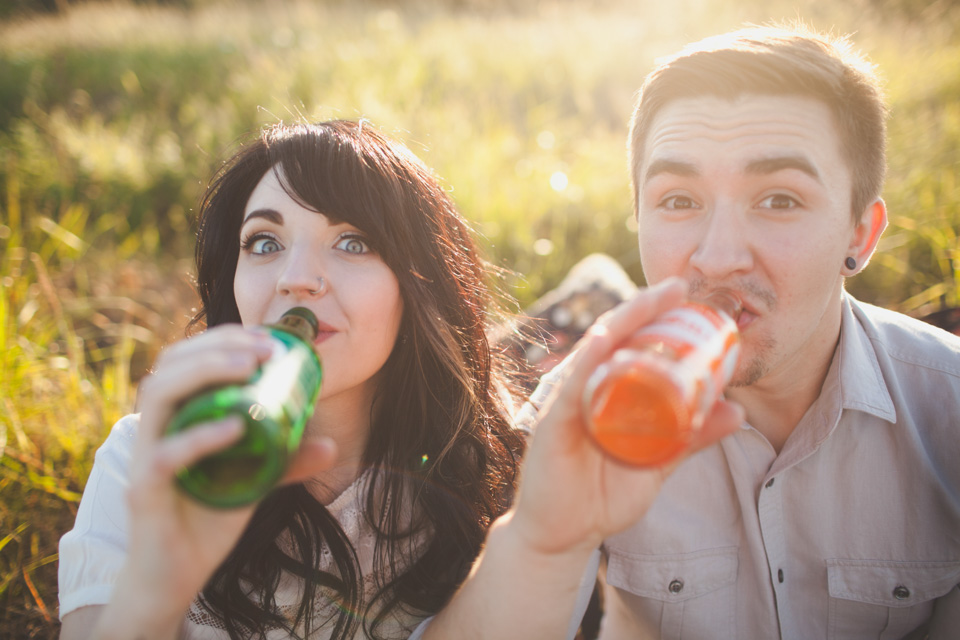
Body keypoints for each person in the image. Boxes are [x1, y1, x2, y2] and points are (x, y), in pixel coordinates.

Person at [420, 23, 960, 639]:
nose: (718, 256)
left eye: (779, 199)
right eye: (679, 200)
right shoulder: (582, 414)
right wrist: (543, 541)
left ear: (859, 234)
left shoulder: (947, 410)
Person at [57, 120, 525, 639]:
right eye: (263, 242)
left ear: (419, 283)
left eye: (353, 241)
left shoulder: (487, 467)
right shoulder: (145, 459)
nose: (296, 277)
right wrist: (158, 580)